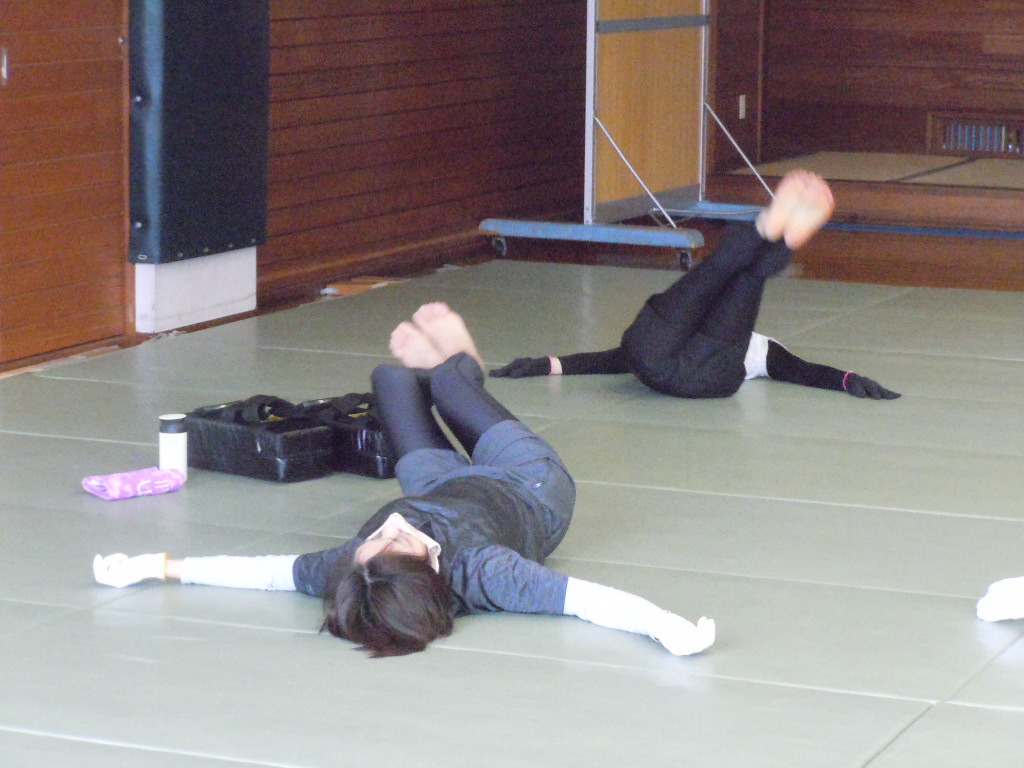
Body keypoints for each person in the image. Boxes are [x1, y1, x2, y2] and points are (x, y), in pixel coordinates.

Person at [93, 304, 715, 658]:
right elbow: (589, 602)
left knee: (389, 380)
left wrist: (155, 565)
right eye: (399, 542)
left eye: (375, 542)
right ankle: (463, 367)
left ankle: (452, 377)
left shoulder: (353, 570)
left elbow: (265, 573)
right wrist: (666, 627)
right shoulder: (491, 572)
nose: (388, 528)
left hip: (439, 489)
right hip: (527, 488)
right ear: (431, 565)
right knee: (445, 383)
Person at [491, 171, 900, 401]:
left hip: (690, 368)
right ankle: (780, 239)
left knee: (714, 282)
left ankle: (769, 230)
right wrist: (549, 364)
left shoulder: (759, 348)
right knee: (741, 280)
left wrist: (848, 380)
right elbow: (803, 372)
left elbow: (804, 371)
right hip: (705, 376)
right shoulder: (756, 347)